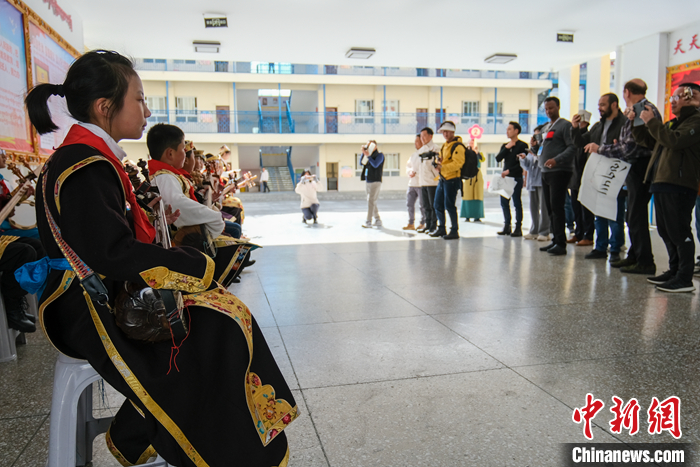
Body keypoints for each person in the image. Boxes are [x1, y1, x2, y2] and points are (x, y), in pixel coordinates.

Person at [23, 50, 296, 466]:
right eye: (139, 99)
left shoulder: (87, 157)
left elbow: (104, 239)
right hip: (86, 307)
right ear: (105, 107)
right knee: (220, 325)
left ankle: (141, 428)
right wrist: (192, 265)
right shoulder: (84, 165)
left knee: (222, 312)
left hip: (98, 291)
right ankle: (151, 434)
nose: (146, 110)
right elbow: (110, 252)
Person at [146, 124, 253, 287]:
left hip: (191, 234)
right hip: (185, 241)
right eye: (183, 150)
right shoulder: (164, 177)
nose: (186, 155)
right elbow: (179, 206)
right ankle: (212, 285)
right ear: (170, 153)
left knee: (239, 248)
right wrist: (214, 217)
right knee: (236, 248)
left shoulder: (169, 175)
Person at [632, 82, 700, 292]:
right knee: (665, 230)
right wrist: (637, 123)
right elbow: (651, 142)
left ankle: (684, 278)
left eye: (678, 97)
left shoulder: (696, 121)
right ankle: (674, 270)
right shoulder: (673, 123)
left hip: (679, 183)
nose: (673, 101)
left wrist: (653, 122)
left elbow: (674, 141)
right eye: (672, 98)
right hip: (661, 181)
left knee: (679, 231)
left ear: (691, 98)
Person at [596, 79, 661, 274]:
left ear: (626, 92)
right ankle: (635, 255)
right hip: (636, 166)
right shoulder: (639, 109)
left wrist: (601, 149)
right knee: (632, 214)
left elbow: (631, 147)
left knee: (636, 215)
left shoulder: (641, 110)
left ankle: (645, 261)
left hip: (640, 166)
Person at [572, 93, 627, 263]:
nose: (599, 108)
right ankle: (600, 247)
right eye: (599, 105)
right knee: (599, 213)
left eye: (603, 104)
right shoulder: (598, 126)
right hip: (598, 173)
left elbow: (625, 148)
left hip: (615, 174)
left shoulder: (624, 124)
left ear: (614, 105)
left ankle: (615, 248)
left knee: (615, 214)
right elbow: (581, 143)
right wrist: (575, 128)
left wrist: (603, 148)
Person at [538, 97, 577, 256]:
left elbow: (572, 147)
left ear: (558, 107)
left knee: (557, 207)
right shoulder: (547, 127)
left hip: (559, 171)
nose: (548, 111)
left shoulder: (565, 125)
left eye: (551, 108)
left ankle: (561, 243)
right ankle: (555, 239)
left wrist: (557, 160)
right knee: (549, 208)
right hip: (545, 172)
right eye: (546, 109)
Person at [431, 121, 465, 240]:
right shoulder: (445, 145)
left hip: (452, 179)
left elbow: (458, 163)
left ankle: (454, 230)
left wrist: (442, 167)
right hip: (443, 178)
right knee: (437, 204)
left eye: (447, 131)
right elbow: (443, 160)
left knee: (449, 205)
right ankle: (441, 228)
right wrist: (438, 162)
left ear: (452, 132)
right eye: (443, 132)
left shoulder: (458, 146)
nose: (445, 134)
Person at [495, 122, 528, 237]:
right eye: (507, 129)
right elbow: (498, 158)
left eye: (509, 129)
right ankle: (507, 226)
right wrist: (507, 148)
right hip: (505, 178)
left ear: (516, 131)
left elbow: (522, 163)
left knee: (517, 202)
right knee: (504, 203)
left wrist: (509, 171)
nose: (507, 131)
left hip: (516, 177)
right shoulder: (505, 145)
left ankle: (518, 227)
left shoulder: (522, 145)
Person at [518, 125, 550, 240]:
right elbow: (528, 166)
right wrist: (523, 158)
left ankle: (544, 232)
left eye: (538, 135)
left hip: (541, 180)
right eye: (534, 135)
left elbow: (543, 162)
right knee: (533, 207)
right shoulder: (532, 149)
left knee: (544, 207)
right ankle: (534, 230)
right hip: (532, 181)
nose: (535, 138)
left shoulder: (545, 147)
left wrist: (535, 154)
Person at [567, 117, 595, 247]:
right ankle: (578, 233)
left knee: (586, 210)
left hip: (585, 177)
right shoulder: (574, 137)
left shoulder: (589, 137)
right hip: (575, 178)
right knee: (576, 209)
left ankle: (588, 235)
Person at [417, 127, 440, 233]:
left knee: (433, 205)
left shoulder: (436, 148)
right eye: (421, 136)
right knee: (425, 206)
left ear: (431, 136)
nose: (422, 138)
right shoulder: (421, 150)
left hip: (432, 182)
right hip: (423, 182)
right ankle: (427, 224)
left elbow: (437, 164)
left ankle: (433, 226)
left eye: (424, 136)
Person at [359, 140, 384, 228]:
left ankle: (368, 221)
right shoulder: (367, 155)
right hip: (368, 180)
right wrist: (363, 153)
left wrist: (368, 156)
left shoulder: (380, 155)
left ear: (375, 146)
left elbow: (375, 164)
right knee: (371, 201)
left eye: (370, 145)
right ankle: (378, 220)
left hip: (375, 181)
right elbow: (361, 163)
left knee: (371, 200)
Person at [403, 134, 425, 231]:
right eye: (415, 141)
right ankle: (411, 223)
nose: (415, 143)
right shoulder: (413, 155)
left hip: (421, 184)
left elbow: (425, 169)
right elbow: (408, 166)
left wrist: (416, 173)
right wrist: (410, 172)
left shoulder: (425, 154)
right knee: (409, 204)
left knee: (422, 205)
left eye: (417, 141)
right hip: (412, 183)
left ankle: (423, 223)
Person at [461, 138, 485, 223]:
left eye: (473, 143)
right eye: (470, 143)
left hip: (477, 175)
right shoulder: (465, 152)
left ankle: (477, 216)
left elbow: (482, 159)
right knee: (467, 195)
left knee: (478, 195)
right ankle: (467, 215)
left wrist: (476, 152)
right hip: (468, 175)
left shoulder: (478, 153)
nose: (471, 144)